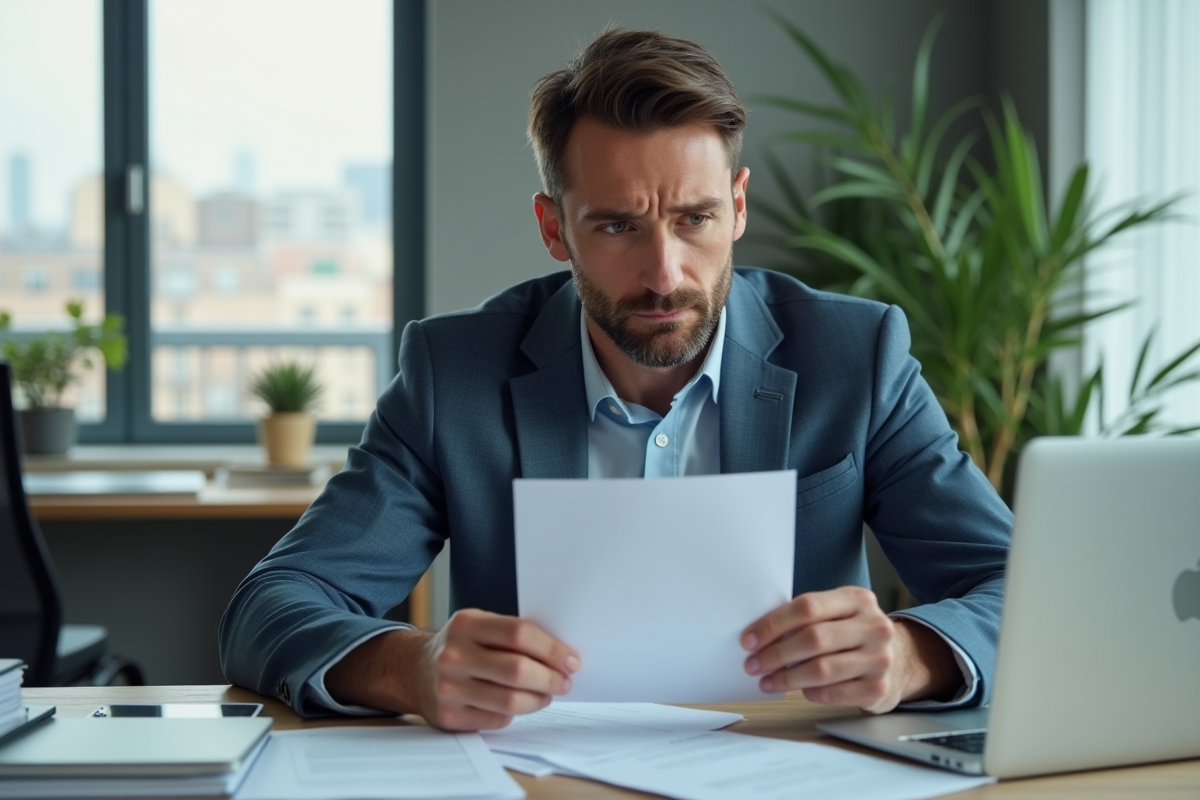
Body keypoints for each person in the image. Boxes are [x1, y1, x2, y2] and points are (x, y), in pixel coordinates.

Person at [220, 28, 1012, 732]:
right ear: (553, 228)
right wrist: (411, 669)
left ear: (737, 208)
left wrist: (912, 657)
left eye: (694, 219)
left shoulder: (856, 355)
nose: (664, 274)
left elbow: (1019, 590)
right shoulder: (452, 375)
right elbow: (272, 605)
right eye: (617, 225)